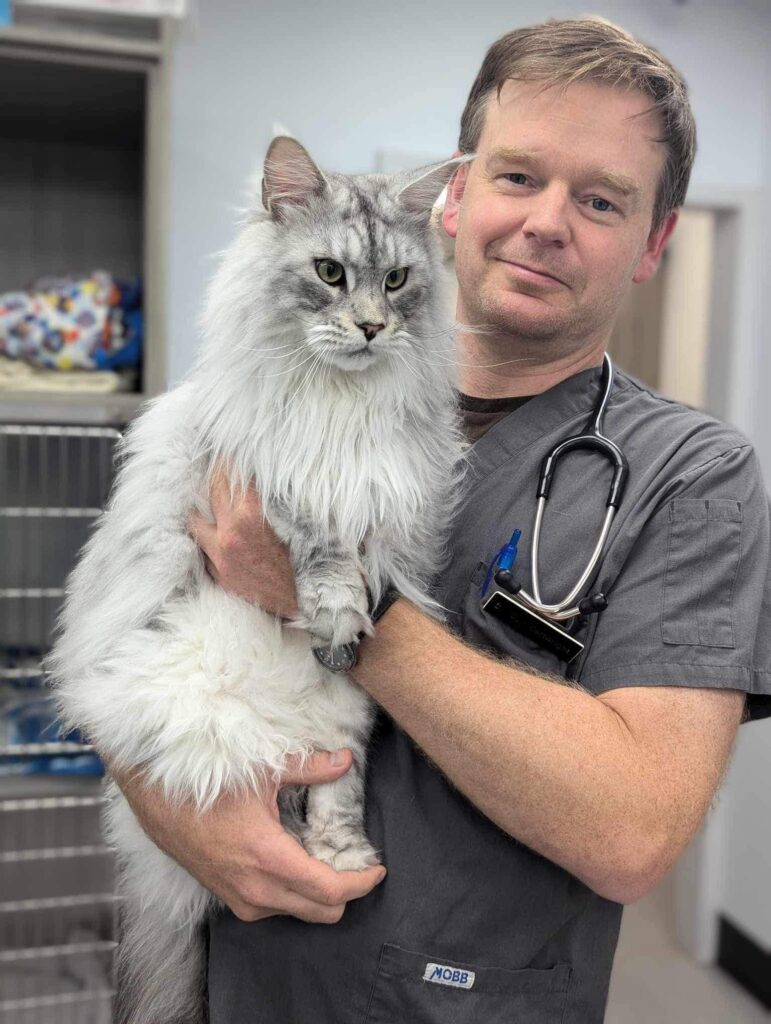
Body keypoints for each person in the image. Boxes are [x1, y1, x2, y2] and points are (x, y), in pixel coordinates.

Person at [119, 16, 771, 1022]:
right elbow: (119, 634)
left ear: (654, 241)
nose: (548, 221)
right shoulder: (256, 392)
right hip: (219, 974)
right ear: (456, 199)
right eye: (517, 176)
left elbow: (633, 830)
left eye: (601, 199)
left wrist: (338, 603)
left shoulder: (695, 476)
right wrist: (159, 796)